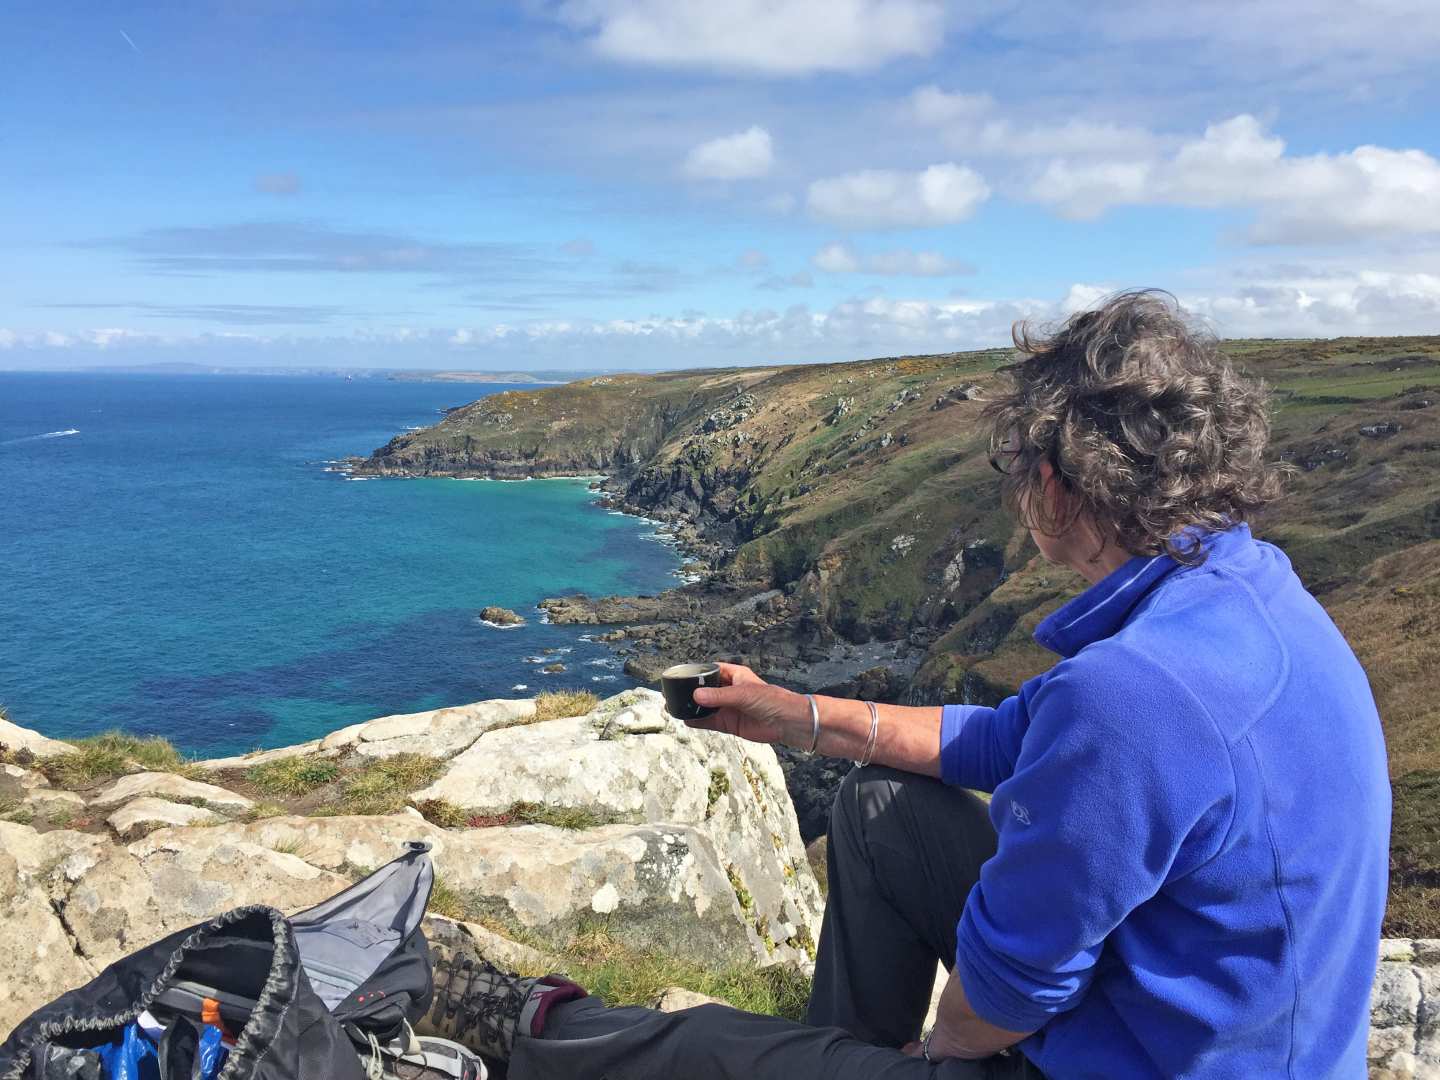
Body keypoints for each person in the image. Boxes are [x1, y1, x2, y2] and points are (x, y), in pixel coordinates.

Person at [416, 290, 1392, 1078]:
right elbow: (1011, 739)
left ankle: (531, 1032)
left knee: (709, 1049)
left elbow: (1012, 988)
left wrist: (948, 1046)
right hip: (1243, 1041)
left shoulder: (1138, 697)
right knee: (882, 807)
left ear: (1053, 483)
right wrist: (791, 716)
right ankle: (842, 1056)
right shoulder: (1249, 593)